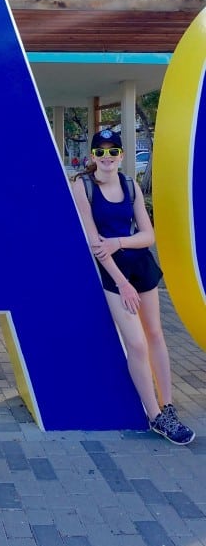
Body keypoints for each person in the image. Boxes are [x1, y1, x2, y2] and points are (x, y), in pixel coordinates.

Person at [72, 128, 195, 445]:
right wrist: (122, 283)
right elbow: (94, 244)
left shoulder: (131, 185)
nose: (107, 157)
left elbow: (148, 236)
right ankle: (154, 415)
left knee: (156, 334)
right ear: (92, 157)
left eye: (113, 152)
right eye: (101, 152)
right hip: (114, 275)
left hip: (141, 266)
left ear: (122, 155)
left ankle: (168, 407)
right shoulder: (82, 186)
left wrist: (119, 242)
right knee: (137, 344)